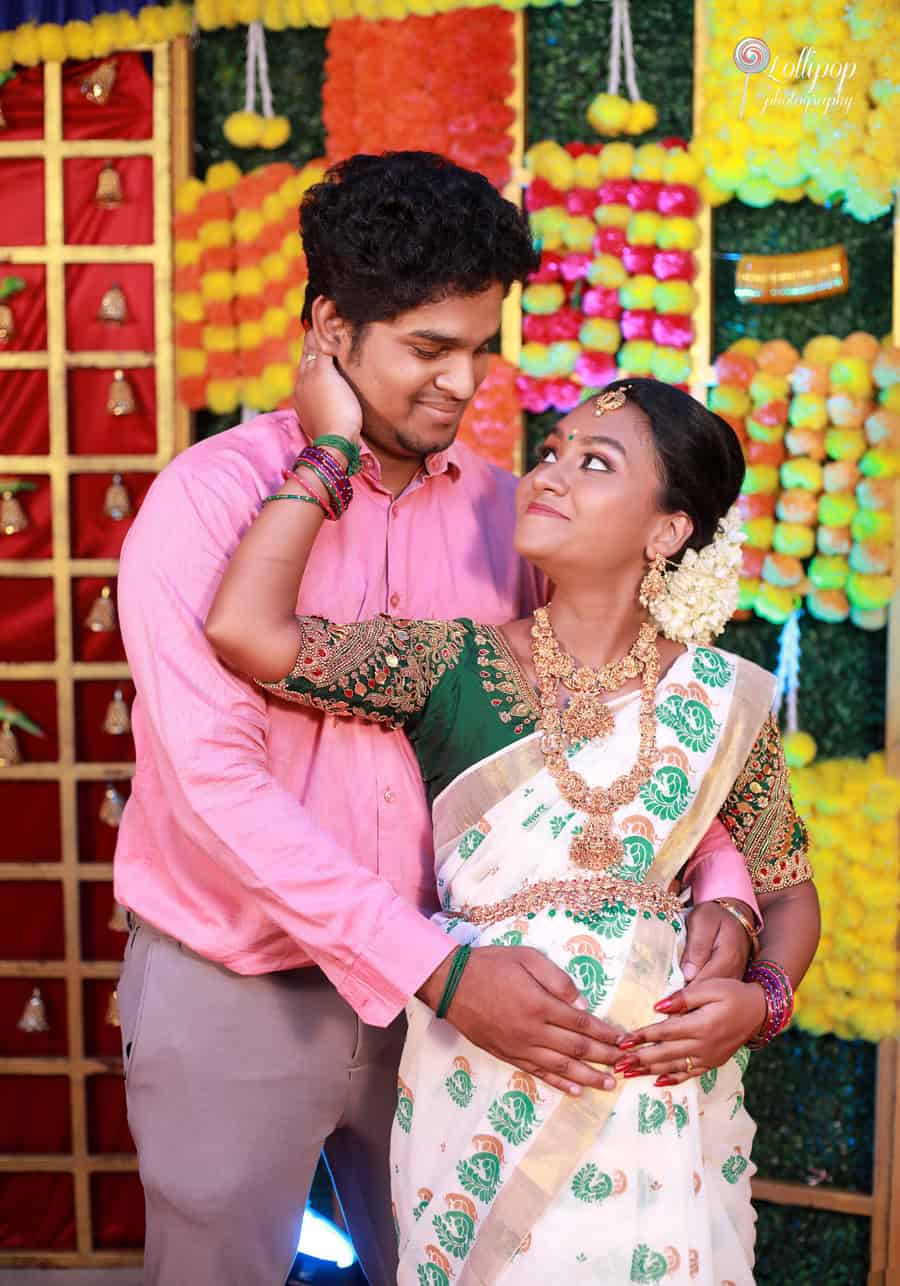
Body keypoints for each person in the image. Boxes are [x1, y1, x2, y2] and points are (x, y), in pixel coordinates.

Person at [117, 150, 762, 1285]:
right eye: (428, 348)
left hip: (473, 1002)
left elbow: (617, 713)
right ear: (330, 329)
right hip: (244, 982)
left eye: (479, 349)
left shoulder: (512, 520)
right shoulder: (208, 505)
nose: (464, 386)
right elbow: (219, 788)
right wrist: (435, 965)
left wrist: (729, 896)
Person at [205, 366, 820, 1285]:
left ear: (668, 530)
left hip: (659, 1101)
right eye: (551, 453)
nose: (551, 474)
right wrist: (329, 456)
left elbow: (787, 887)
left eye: (596, 461)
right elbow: (247, 630)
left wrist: (761, 999)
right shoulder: (453, 663)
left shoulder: (724, 701)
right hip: (479, 1075)